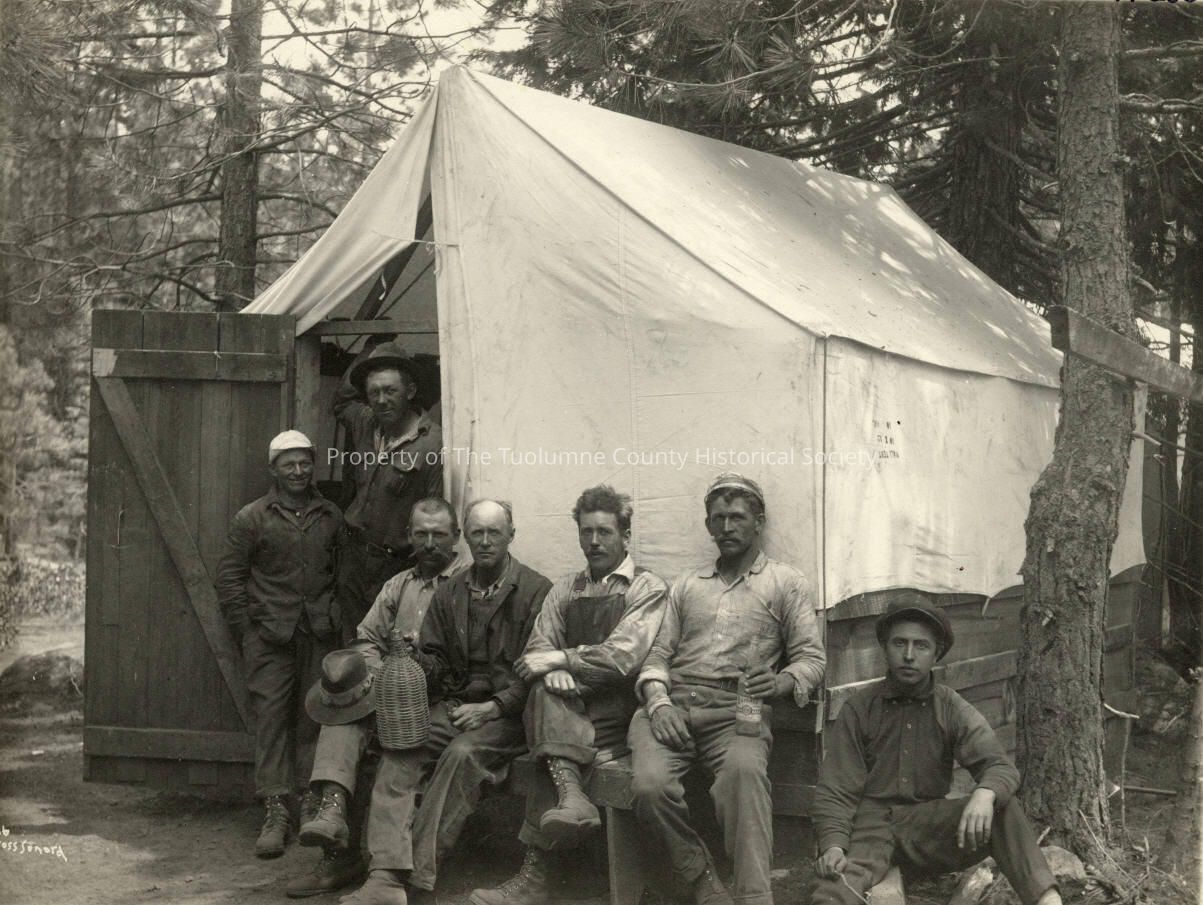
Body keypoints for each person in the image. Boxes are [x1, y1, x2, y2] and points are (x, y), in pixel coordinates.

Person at [340, 499, 552, 905]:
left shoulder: (535, 591)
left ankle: (419, 878)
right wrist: (415, 659)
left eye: (494, 532)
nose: (485, 541)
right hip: (457, 705)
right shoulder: (451, 591)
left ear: (511, 535)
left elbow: (536, 669)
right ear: (465, 537)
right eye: (477, 532)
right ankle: (384, 878)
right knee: (402, 748)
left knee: (461, 754)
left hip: (511, 715)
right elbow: (438, 662)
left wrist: (494, 707)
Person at [630, 473, 826, 905]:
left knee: (744, 776)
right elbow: (658, 655)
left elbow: (812, 660)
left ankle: (754, 897)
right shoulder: (687, 584)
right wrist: (658, 704)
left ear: (759, 522)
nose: (727, 527)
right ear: (707, 525)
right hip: (674, 706)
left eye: (737, 517)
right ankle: (701, 877)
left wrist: (781, 681)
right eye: (718, 519)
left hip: (738, 710)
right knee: (648, 785)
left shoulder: (785, 582)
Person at [471, 485, 669, 905]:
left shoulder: (647, 587)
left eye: (604, 532)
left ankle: (535, 876)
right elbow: (534, 653)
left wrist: (563, 662)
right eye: (586, 532)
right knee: (542, 693)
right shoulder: (566, 589)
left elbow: (623, 656)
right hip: (565, 710)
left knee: (548, 730)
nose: (594, 541)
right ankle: (572, 798)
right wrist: (553, 668)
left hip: (616, 712)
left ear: (625, 535)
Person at [809, 602, 1063, 905]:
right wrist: (834, 845)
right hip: (869, 832)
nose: (909, 655)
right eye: (899, 643)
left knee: (1003, 809)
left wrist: (985, 793)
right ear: (884, 648)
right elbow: (836, 789)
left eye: (921, 646)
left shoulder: (950, 707)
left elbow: (999, 765)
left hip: (927, 832)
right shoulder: (860, 708)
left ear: (936, 653)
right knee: (833, 889)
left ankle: (1048, 900)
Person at [286, 498, 468, 898]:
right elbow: (367, 639)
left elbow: (468, 659)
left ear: (456, 536)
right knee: (341, 714)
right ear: (408, 536)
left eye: (439, 535)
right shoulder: (398, 585)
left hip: (441, 700)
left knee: (395, 753)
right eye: (421, 534)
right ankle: (333, 818)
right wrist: (384, 673)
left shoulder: (466, 585)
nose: (430, 544)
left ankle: (383, 874)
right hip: (391, 693)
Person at [215, 430, 343, 858]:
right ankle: (275, 811)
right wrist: (248, 631)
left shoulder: (330, 515)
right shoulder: (252, 517)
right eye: (289, 464)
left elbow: (343, 572)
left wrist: (335, 615)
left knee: (313, 718)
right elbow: (229, 579)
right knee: (271, 720)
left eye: (305, 463)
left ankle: (308, 802)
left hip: (319, 633)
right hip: (270, 636)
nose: (298, 471)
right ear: (274, 469)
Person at [334, 340, 444, 643]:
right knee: (352, 649)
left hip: (396, 569)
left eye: (390, 391)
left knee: (391, 652)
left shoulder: (433, 444)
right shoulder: (365, 422)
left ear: (410, 391)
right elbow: (341, 401)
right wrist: (370, 348)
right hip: (352, 562)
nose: (381, 400)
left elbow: (434, 518)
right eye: (374, 392)